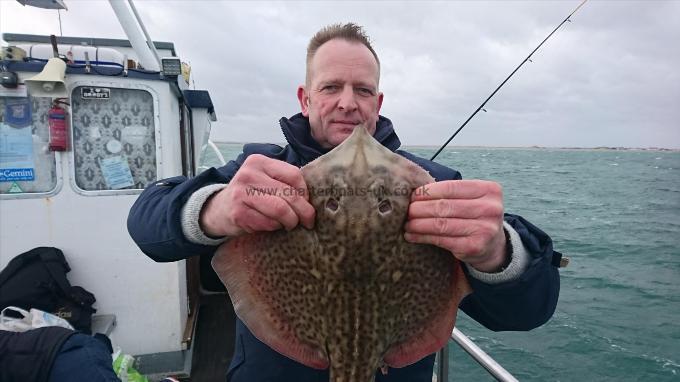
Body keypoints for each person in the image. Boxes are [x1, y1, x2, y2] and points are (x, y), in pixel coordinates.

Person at [128, 23, 560, 381]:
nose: (348, 103)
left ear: (379, 102)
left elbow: (529, 311)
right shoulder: (260, 173)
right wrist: (213, 208)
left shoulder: (434, 185)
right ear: (306, 98)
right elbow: (146, 223)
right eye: (331, 87)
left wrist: (498, 252)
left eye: (363, 90)